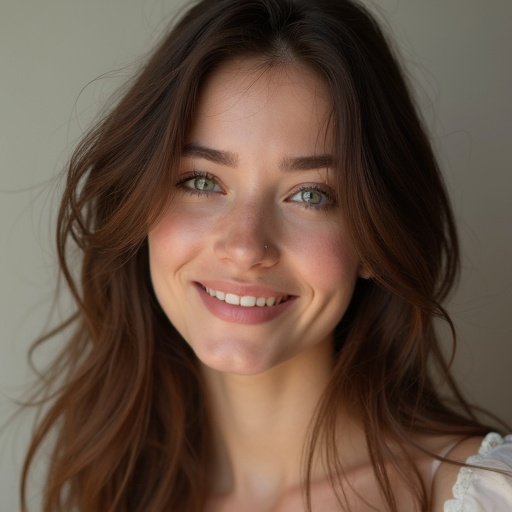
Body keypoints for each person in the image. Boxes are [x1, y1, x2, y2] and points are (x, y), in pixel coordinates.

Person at [20, 0, 512, 510]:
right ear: (138, 205)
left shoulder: (483, 496)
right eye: (202, 181)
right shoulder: (116, 491)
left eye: (310, 194)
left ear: (375, 238)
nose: (245, 246)